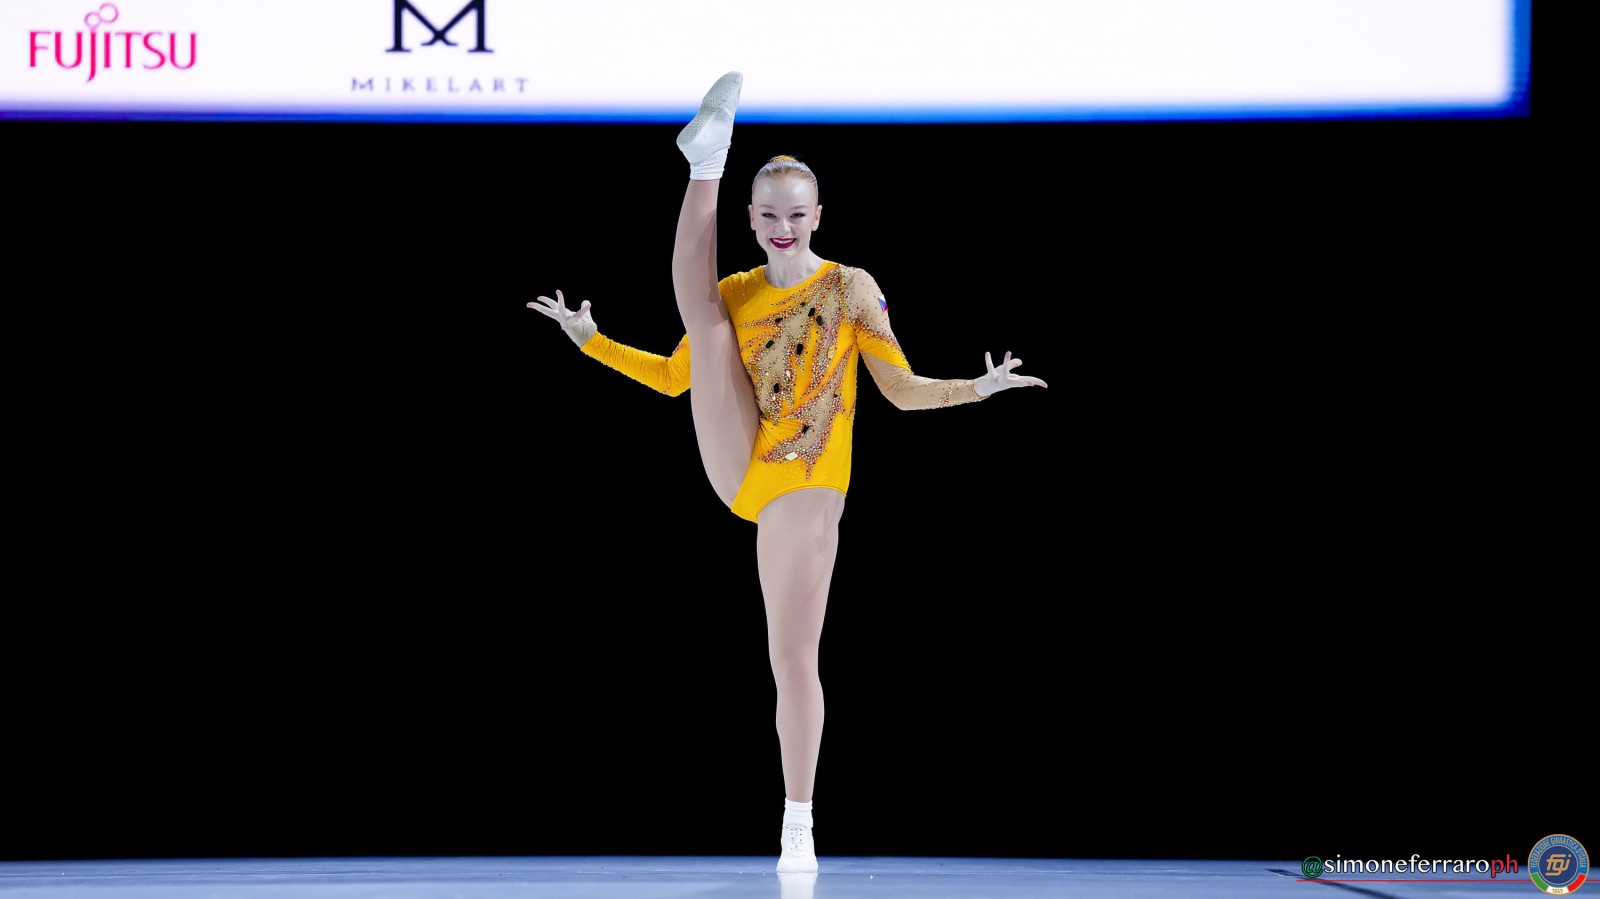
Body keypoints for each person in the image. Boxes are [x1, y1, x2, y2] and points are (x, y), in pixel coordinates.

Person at [528, 71, 1046, 875]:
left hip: (807, 484)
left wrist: (976, 388)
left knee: (791, 656)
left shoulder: (849, 287)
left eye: (796, 215)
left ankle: (797, 821)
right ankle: (707, 161)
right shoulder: (735, 293)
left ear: (818, 216)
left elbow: (900, 390)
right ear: (748, 217)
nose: (781, 228)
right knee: (703, 318)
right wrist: (591, 341)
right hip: (742, 462)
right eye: (768, 214)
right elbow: (675, 377)